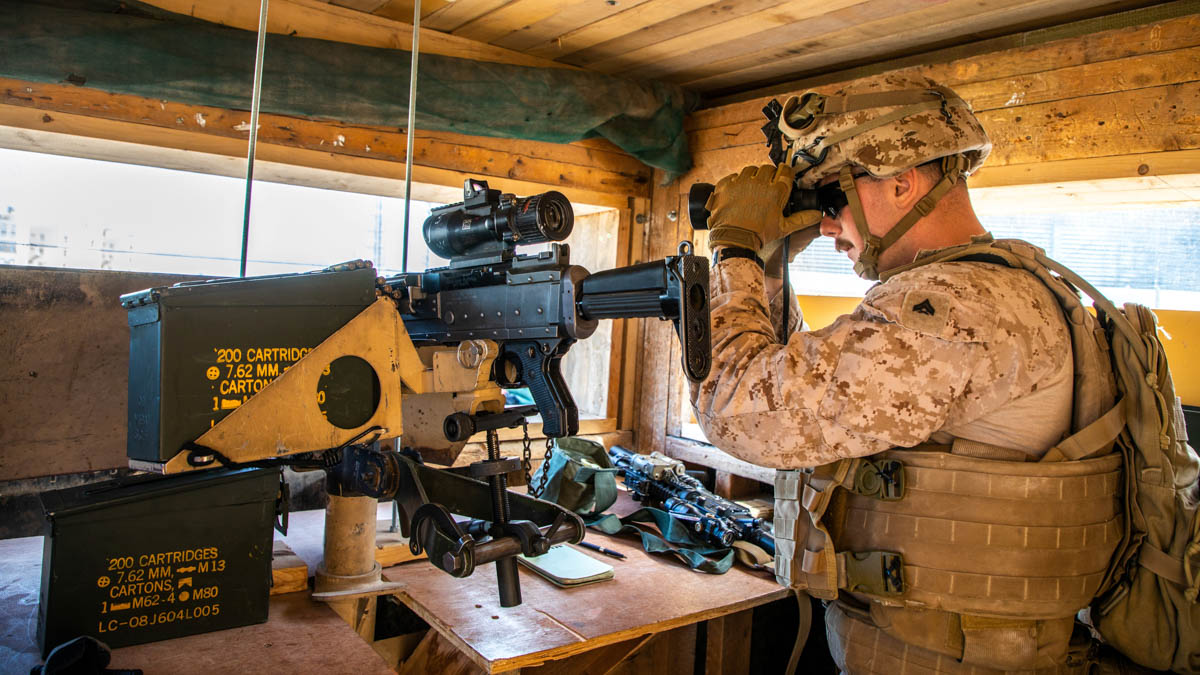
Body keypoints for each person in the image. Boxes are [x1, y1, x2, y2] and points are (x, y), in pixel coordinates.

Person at [690, 74, 1122, 673]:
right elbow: (787, 379)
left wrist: (734, 248)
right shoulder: (997, 290)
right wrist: (766, 267)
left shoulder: (954, 307)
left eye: (831, 200)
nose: (825, 225)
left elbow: (740, 412)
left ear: (902, 182)